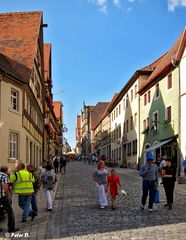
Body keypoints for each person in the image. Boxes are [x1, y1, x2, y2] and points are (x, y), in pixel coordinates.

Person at [0, 166, 19, 233]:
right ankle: (11, 227)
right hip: (3, 196)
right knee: (10, 211)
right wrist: (7, 194)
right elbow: (5, 187)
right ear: (6, 170)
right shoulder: (5, 176)